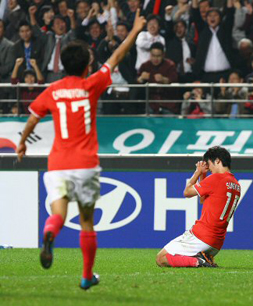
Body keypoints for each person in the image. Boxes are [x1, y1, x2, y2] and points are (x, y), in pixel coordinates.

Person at [15, 10, 146, 290]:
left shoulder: (53, 90)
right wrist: (134, 31)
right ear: (87, 64)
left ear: (62, 64)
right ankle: (87, 276)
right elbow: (117, 56)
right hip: (85, 164)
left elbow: (32, 118)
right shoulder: (91, 85)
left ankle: (50, 232)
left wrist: (23, 142)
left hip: (58, 164)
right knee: (87, 222)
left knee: (58, 214)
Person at [156, 146, 241, 268]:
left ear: (217, 161)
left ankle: (199, 261)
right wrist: (204, 175)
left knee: (161, 258)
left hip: (202, 236)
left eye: (210, 164)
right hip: (216, 243)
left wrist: (198, 172)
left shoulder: (216, 178)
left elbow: (187, 192)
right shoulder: (235, 184)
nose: (210, 168)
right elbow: (203, 199)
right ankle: (203, 258)